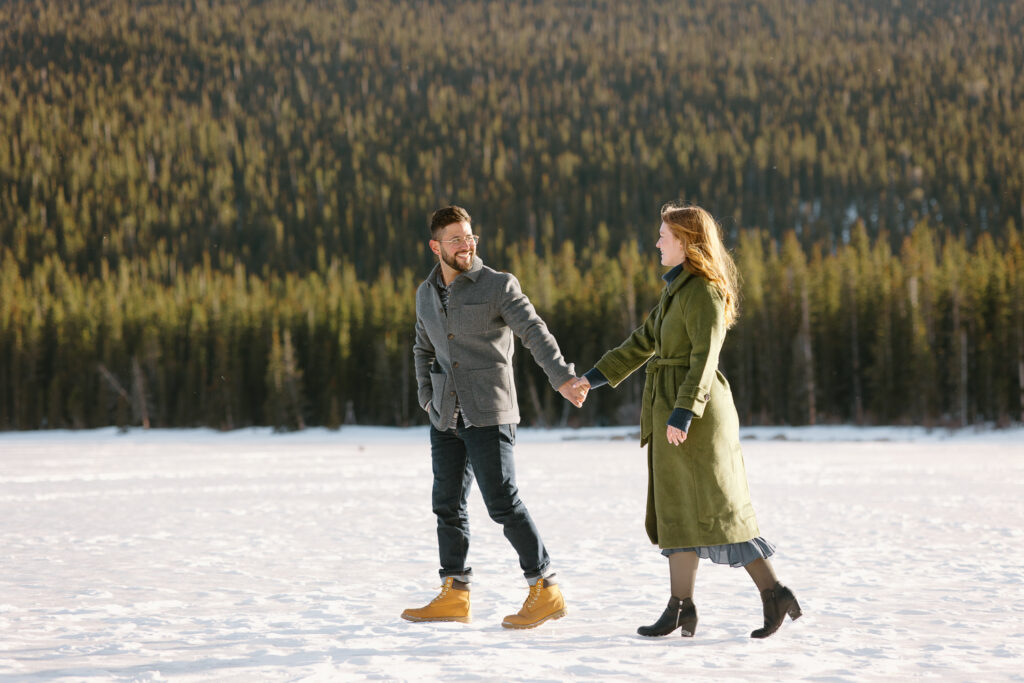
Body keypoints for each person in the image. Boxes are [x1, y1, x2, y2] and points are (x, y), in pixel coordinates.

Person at [571, 202, 802, 639]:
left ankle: (774, 592)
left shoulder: (704, 291)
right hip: (672, 411)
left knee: (720, 510)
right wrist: (591, 379)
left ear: (685, 241)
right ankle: (681, 606)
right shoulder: (676, 290)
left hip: (695, 414)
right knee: (677, 509)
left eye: (663, 236)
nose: (657, 242)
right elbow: (642, 342)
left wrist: (684, 411)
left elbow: (704, 357)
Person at [402, 205, 583, 629]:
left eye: (470, 237)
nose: (466, 245)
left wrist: (561, 377)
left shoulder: (499, 285)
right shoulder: (425, 293)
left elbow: (533, 330)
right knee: (446, 504)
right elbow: (421, 348)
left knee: (502, 502)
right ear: (435, 247)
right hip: (445, 414)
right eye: (456, 239)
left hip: (490, 411)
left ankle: (546, 588)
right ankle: (455, 592)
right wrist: (427, 397)